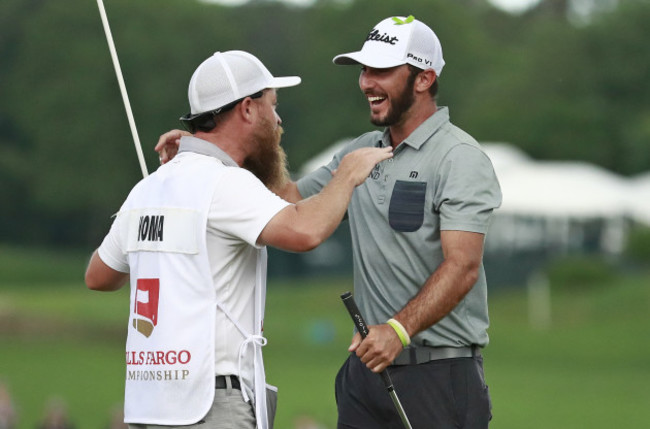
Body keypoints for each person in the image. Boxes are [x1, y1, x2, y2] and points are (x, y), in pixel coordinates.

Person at [156, 15, 501, 428]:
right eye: (365, 70)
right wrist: (204, 150)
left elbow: (462, 266)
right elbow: (281, 201)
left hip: (438, 375)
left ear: (424, 79)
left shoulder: (460, 157)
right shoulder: (359, 151)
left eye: (382, 70)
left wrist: (397, 331)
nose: (367, 82)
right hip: (367, 376)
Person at [85, 50, 392, 429]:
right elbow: (305, 230)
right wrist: (347, 175)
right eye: (272, 105)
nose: (278, 120)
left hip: (149, 403)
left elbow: (99, 276)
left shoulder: (148, 188)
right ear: (248, 109)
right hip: (212, 403)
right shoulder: (225, 183)